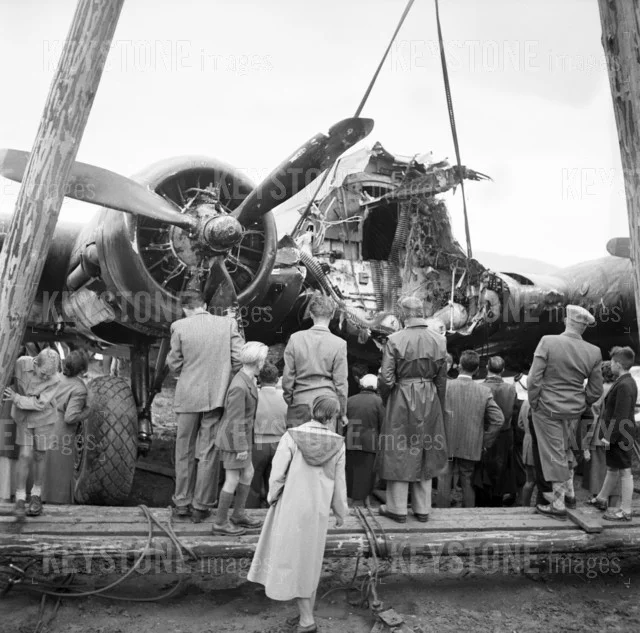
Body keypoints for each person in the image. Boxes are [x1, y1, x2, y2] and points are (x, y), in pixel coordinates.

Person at [247, 395, 348, 633]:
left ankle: (306, 620)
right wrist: (340, 511)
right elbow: (339, 483)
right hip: (318, 510)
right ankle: (307, 616)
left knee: (291, 560)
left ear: (313, 411)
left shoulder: (291, 436)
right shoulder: (339, 443)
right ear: (333, 417)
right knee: (310, 561)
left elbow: (277, 474)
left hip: (291, 506)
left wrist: (272, 497)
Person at [167, 290, 243, 522]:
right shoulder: (227, 324)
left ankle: (181, 502)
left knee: (184, 450)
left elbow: (174, 363)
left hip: (188, 395)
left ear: (185, 308)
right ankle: (201, 506)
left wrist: (186, 374)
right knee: (208, 450)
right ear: (205, 304)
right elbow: (239, 358)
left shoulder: (179, 326)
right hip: (215, 397)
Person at [377, 296, 449, 523]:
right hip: (430, 397)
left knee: (398, 449)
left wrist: (387, 399)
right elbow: (442, 379)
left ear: (402, 314)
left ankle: (397, 509)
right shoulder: (439, 340)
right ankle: (422, 508)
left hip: (402, 396)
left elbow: (386, 378)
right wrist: (439, 403)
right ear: (422, 312)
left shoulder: (394, 339)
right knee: (426, 448)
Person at [528, 305, 603, 520]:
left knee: (554, 455)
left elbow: (534, 379)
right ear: (583, 327)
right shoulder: (594, 351)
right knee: (567, 451)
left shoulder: (548, 341)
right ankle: (569, 495)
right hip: (574, 411)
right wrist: (581, 402)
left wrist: (535, 403)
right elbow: (596, 390)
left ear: (566, 321)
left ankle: (558, 506)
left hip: (547, 409)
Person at [212, 341, 269, 535]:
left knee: (248, 473)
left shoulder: (246, 380)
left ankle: (238, 514)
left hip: (241, 437)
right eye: (263, 359)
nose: (264, 363)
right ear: (258, 362)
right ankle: (220, 522)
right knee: (232, 479)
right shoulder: (239, 386)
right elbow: (235, 420)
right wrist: (241, 447)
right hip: (234, 440)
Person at [436, 350, 504, 508]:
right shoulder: (483, 391)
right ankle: (468, 517)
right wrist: (484, 441)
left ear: (459, 366)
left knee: (444, 478)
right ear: (476, 370)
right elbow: (498, 419)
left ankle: (441, 516)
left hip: (447, 441)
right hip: (471, 444)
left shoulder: (445, 387)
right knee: (467, 480)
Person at [3, 348, 61, 518]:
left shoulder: (55, 379)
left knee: (40, 455)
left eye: (48, 376)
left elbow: (40, 404)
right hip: (23, 418)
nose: (45, 378)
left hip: (44, 417)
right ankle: (20, 498)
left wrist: (16, 399)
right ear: (35, 363)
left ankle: (36, 495)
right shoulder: (21, 363)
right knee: (25, 455)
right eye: (43, 374)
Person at [282, 293, 348, 431]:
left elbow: (288, 377)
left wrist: (291, 400)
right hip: (327, 405)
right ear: (332, 315)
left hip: (300, 402)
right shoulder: (339, 344)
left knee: (297, 447)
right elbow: (341, 383)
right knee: (323, 449)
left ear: (311, 314)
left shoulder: (295, 339)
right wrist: (342, 412)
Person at [587, 346, 637, 521]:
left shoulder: (624, 385)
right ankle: (601, 499)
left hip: (621, 434)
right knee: (613, 468)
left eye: (613, 362)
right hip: (623, 433)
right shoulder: (626, 381)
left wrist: (609, 436)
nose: (611, 366)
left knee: (624, 471)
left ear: (618, 364)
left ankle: (625, 510)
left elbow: (620, 415)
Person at [43, 351, 91, 504]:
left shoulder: (54, 378)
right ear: (82, 370)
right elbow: (70, 417)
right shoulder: (79, 389)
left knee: (44, 472)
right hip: (61, 435)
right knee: (60, 477)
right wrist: (88, 411)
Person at [475, 356, 518, 506]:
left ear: (487, 368)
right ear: (503, 370)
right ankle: (497, 500)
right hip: (505, 434)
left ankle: (482, 500)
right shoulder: (511, 388)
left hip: (485, 432)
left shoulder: (481, 388)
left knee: (483, 468)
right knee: (502, 468)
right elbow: (513, 411)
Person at [247, 362, 288, 509]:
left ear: (259, 379)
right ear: (277, 379)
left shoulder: (254, 395)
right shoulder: (285, 396)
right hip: (279, 444)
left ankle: (250, 512)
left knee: (252, 483)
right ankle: (274, 512)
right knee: (276, 483)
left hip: (257, 443)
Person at [344, 374, 385, 506]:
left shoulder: (349, 400)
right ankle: (365, 501)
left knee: (351, 471)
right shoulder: (379, 402)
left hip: (351, 441)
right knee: (367, 474)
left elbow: (343, 423)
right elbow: (383, 423)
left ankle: (351, 500)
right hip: (370, 442)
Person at [582, 361, 617, 501]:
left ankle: (600, 503)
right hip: (617, 433)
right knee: (615, 472)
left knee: (598, 474)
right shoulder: (619, 388)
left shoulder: (600, 391)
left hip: (600, 435)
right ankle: (613, 505)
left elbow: (594, 418)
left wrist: (586, 442)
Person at [518, 400, 536, 506]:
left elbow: (519, 423)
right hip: (537, 443)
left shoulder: (525, 402)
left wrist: (527, 430)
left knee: (529, 480)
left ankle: (525, 506)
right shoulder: (543, 402)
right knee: (537, 481)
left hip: (527, 441)